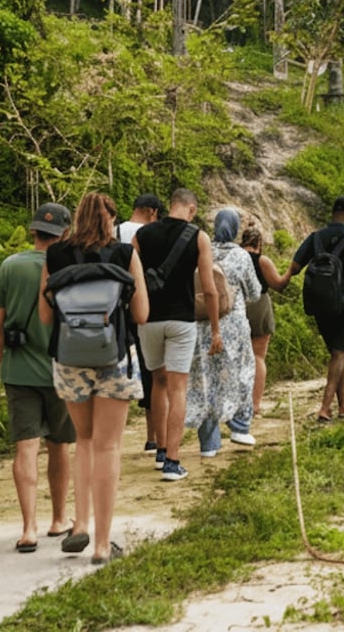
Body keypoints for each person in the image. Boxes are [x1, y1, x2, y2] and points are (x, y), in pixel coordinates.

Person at [38, 192, 150, 566]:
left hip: (70, 359)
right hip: (114, 356)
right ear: (109, 221)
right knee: (108, 447)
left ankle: (80, 523)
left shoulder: (55, 256)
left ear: (74, 222)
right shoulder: (123, 254)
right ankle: (103, 544)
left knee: (83, 440)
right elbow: (143, 314)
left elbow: (46, 317)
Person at [0, 202, 76, 552]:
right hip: (62, 369)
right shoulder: (68, 268)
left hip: (19, 370)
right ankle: (59, 519)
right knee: (60, 445)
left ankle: (28, 529)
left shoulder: (10, 266)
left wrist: (4, 360)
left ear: (33, 231)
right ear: (65, 234)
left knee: (26, 448)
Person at [133, 187, 220, 482]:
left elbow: (131, 279)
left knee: (157, 382)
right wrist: (216, 328)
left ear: (169, 206)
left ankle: (159, 449)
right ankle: (172, 461)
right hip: (181, 320)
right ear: (192, 209)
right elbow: (208, 288)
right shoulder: (199, 237)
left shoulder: (142, 236)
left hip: (148, 319)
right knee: (177, 387)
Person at [286, 196, 344, 423]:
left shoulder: (315, 238)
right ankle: (325, 408)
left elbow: (295, 267)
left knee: (337, 355)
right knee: (339, 354)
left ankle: (343, 406)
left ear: (333, 212)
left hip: (320, 306)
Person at [189, 207, 259, 457]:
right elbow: (253, 292)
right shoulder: (241, 256)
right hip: (233, 325)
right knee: (240, 374)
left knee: (205, 379)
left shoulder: (200, 251)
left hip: (203, 324)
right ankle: (239, 426)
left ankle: (209, 444)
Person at [116, 192, 163, 453]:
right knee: (152, 370)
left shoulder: (114, 231)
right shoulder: (153, 234)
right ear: (153, 212)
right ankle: (152, 436)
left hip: (117, 311)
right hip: (147, 309)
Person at [240, 223, 290, 417]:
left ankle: (236, 403)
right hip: (259, 305)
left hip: (236, 305)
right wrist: (290, 272)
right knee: (258, 357)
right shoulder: (263, 261)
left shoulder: (234, 257)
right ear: (259, 242)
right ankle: (255, 405)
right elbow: (278, 285)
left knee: (236, 356)